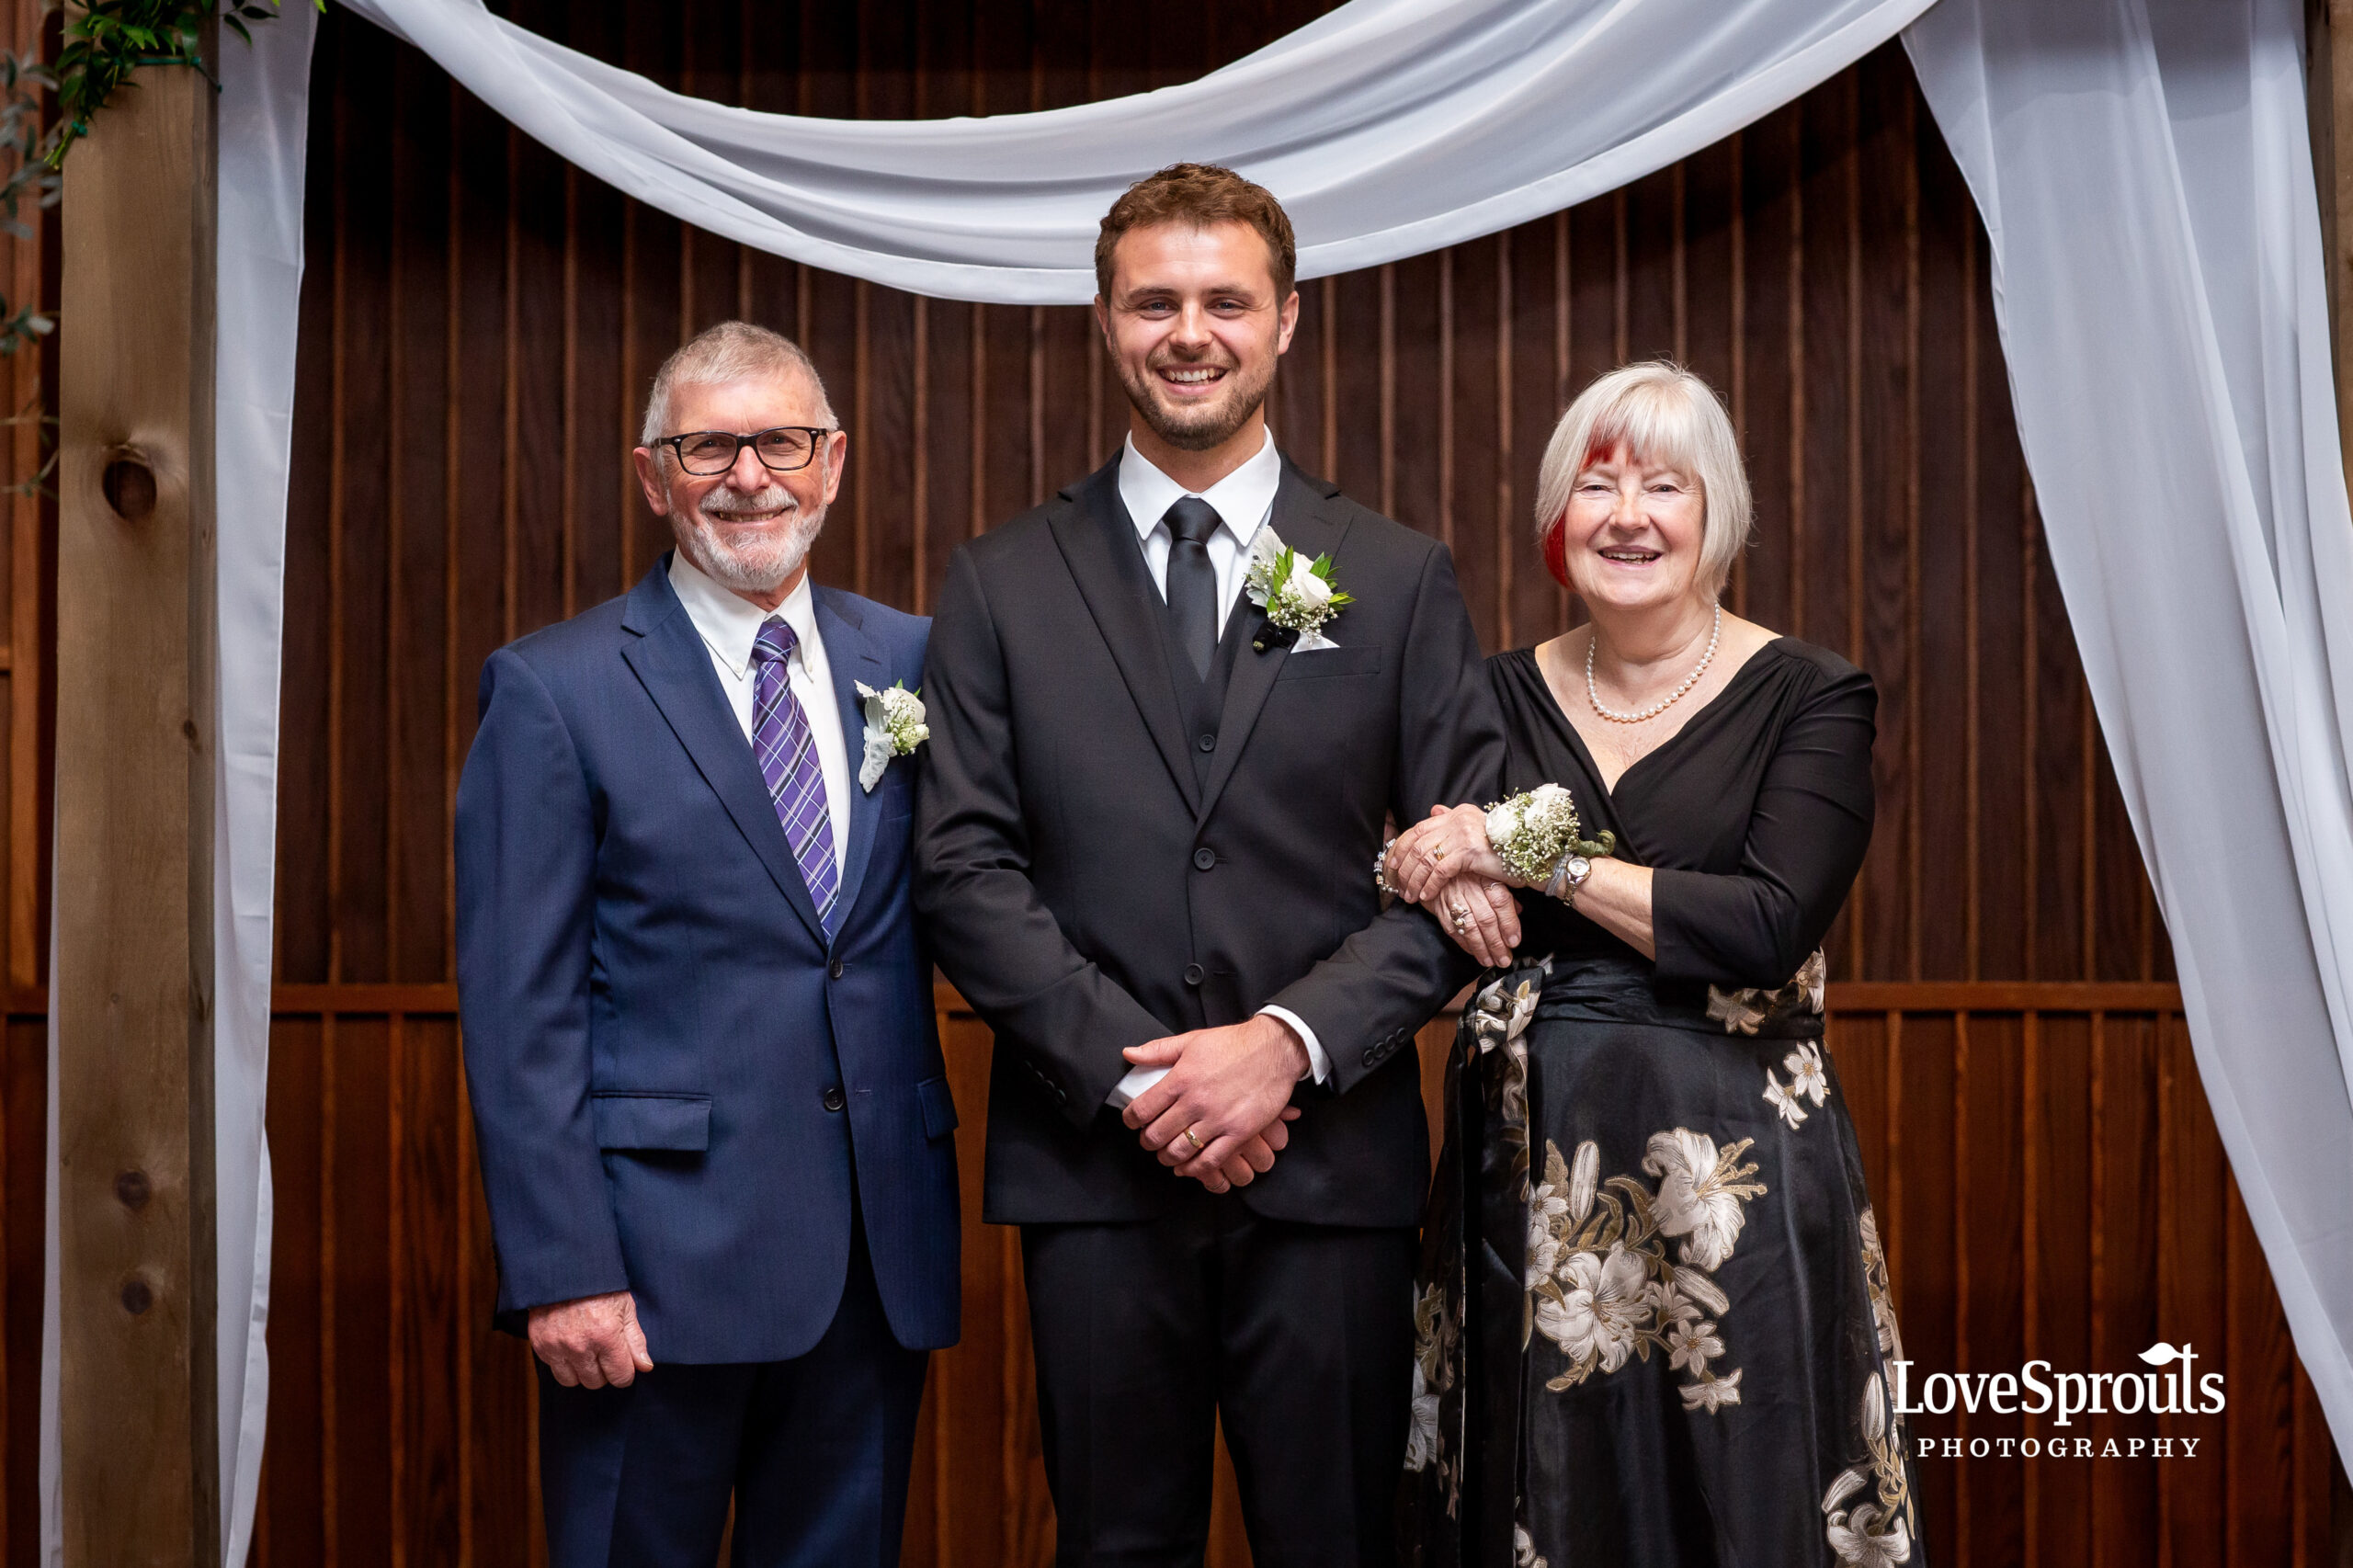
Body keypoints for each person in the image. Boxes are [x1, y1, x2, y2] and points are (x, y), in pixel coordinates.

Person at [915, 164, 1507, 1566]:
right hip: (1095, 1172)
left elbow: (1471, 869)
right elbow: (962, 869)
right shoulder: (1001, 580)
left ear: (1286, 320)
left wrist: (1286, 1045)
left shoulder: (1395, 574)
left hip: (1334, 1169)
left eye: (1226, 302)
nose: (1190, 332)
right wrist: (1150, 1081)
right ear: (1106, 321)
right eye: (1155, 303)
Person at [1388, 362, 1924, 1567]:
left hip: (1732, 1178)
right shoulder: (1490, 694)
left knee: (1743, 1494)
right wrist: (1446, 868)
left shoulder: (1812, 694)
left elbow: (1766, 923)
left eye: (1664, 486)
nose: (1627, 515)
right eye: (1597, 485)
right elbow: (1410, 859)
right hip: (1525, 1171)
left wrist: (1529, 851)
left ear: (1715, 513)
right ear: (1557, 519)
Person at [455, 322, 958, 1568]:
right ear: (652, 477)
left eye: (781, 442)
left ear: (832, 462)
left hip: (873, 1261)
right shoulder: (554, 689)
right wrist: (563, 1269)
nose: (749, 476)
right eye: (708, 448)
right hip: (648, 1274)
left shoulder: (917, 660)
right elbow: (520, 1012)